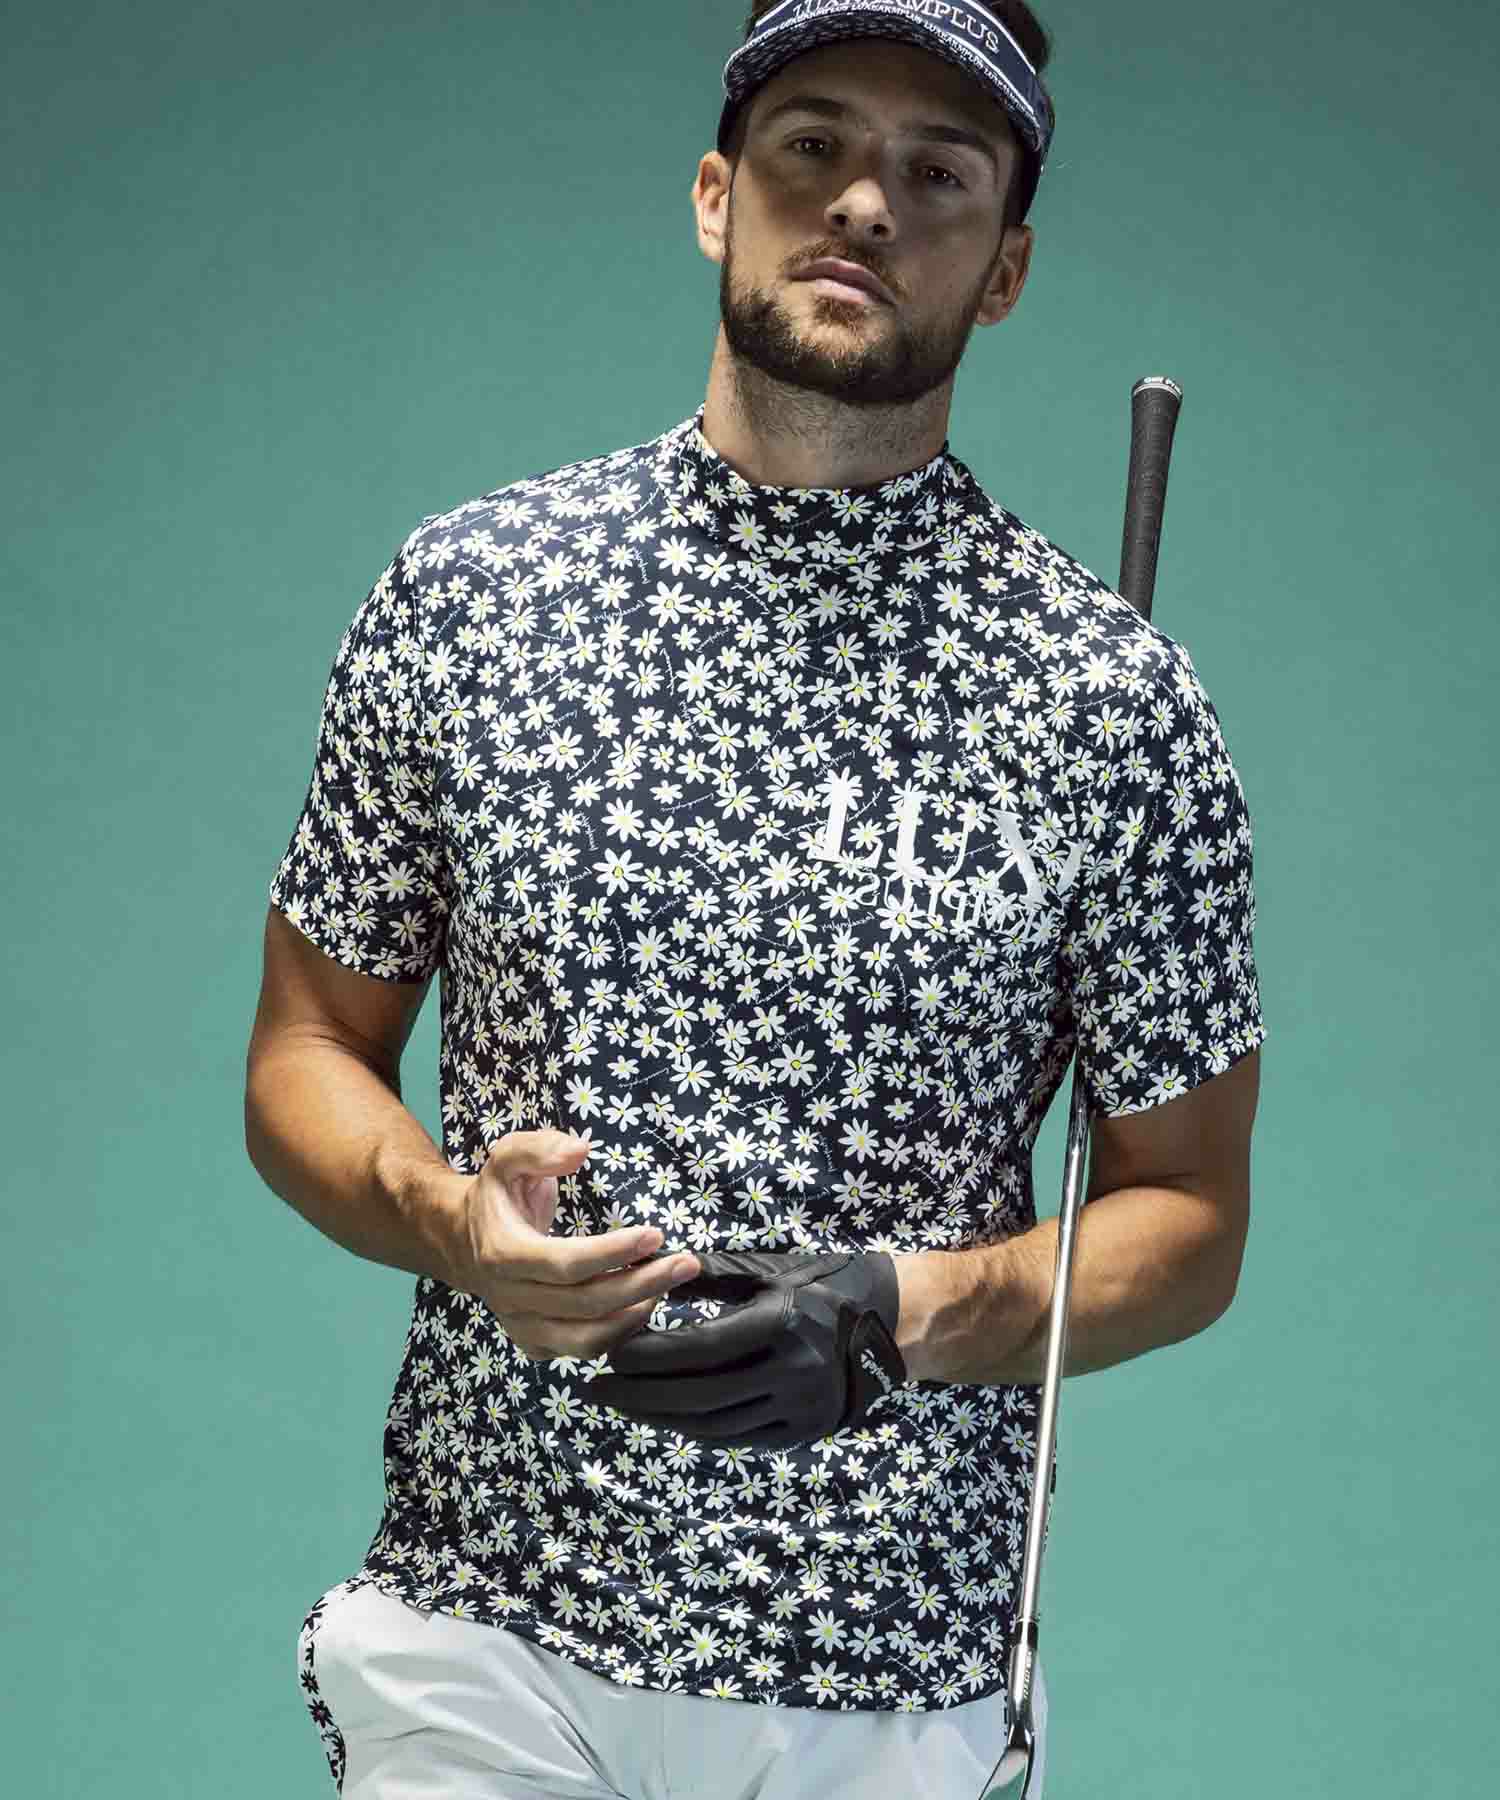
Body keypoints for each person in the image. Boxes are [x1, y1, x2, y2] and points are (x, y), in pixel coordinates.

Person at [247, 3, 1266, 1795]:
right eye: (814, 145)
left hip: (889, 1684)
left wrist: (901, 1309)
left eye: (938, 173)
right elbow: (307, 1047)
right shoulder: (476, 599)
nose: (865, 201)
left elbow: (1185, 1211)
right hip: (490, 1630)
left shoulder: (1107, 702)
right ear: (717, 194)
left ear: (1006, 270)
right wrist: (453, 1222)